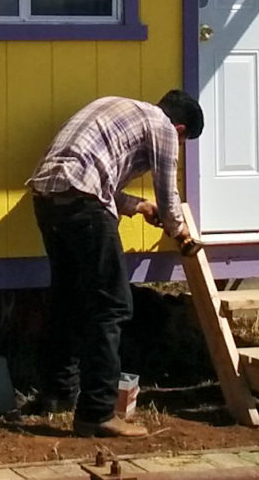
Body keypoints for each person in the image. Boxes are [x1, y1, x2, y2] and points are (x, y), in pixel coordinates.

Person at [26, 89, 205, 439]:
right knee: (113, 305)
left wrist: (138, 206)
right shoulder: (164, 128)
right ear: (180, 129)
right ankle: (97, 411)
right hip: (83, 202)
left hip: (48, 198)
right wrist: (178, 229)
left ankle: (57, 393)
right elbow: (169, 195)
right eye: (183, 142)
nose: (178, 147)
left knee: (67, 298)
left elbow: (97, 180)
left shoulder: (120, 110)